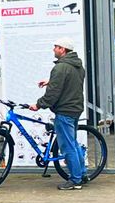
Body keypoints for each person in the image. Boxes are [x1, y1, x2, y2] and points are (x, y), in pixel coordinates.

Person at [29, 37, 86, 190]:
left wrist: (38, 105)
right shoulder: (78, 66)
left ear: (63, 49)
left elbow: (53, 94)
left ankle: (75, 180)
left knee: (67, 147)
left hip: (64, 111)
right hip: (75, 109)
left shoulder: (60, 68)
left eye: (56, 47)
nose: (53, 49)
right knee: (73, 143)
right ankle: (82, 174)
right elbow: (70, 82)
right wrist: (51, 81)